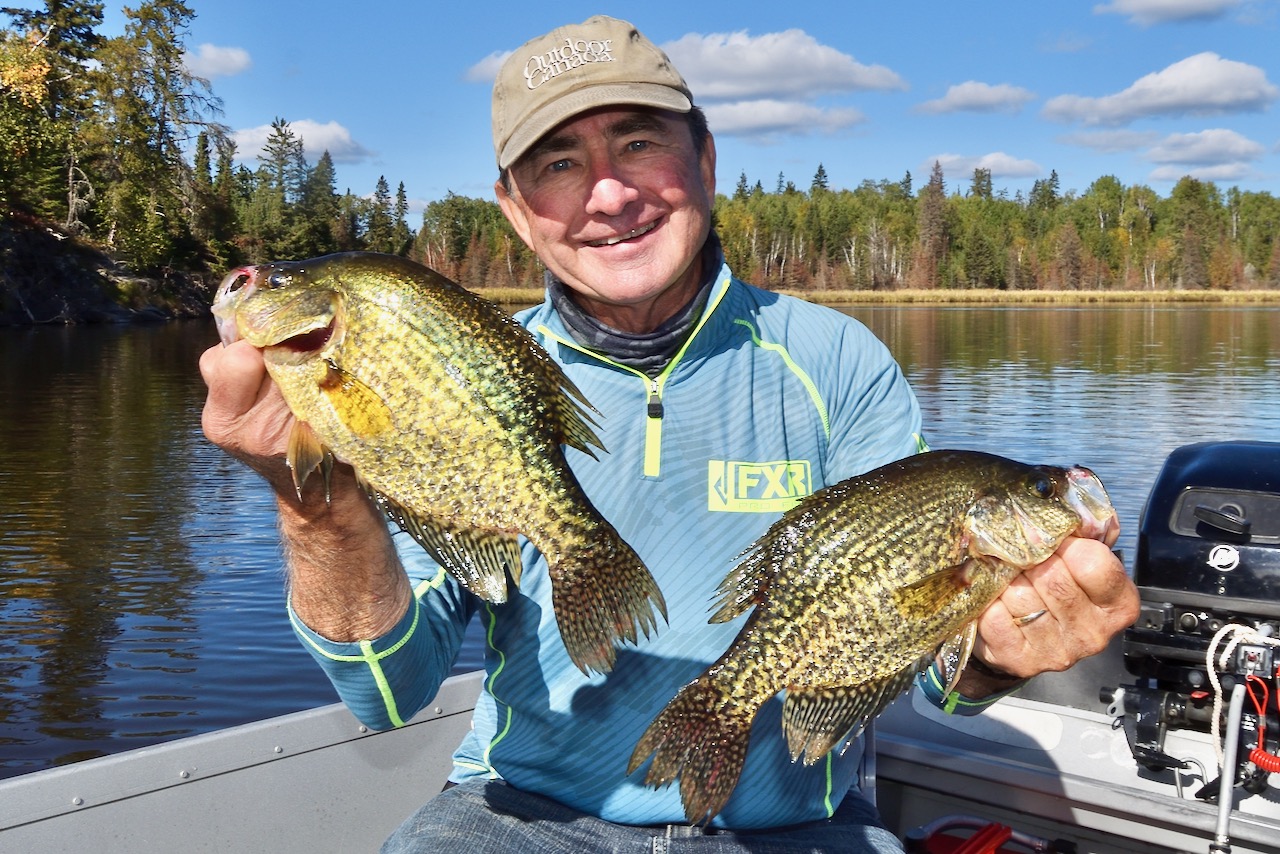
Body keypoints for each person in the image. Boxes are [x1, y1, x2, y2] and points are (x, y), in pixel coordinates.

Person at [199, 15, 1140, 853]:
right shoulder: (452, 376)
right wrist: (307, 495)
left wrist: (992, 651)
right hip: (520, 819)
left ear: (707, 161)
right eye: (559, 165)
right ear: (516, 212)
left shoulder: (837, 364)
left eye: (638, 142)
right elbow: (389, 695)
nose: (607, 195)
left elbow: (929, 674)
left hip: (795, 829)